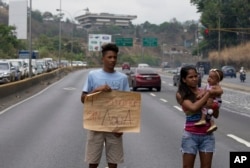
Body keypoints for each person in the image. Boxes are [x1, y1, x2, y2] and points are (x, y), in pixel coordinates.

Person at [81, 43, 130, 168]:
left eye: (114, 57)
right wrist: (97, 90)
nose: (112, 60)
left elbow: (127, 104)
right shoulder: (93, 75)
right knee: (93, 162)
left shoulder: (123, 78)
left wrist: (122, 127)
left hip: (114, 126)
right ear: (103, 58)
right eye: (109, 57)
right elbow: (83, 99)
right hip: (95, 124)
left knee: (113, 162)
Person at [176, 65, 219, 168]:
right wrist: (208, 95)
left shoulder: (203, 91)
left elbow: (216, 115)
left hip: (207, 136)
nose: (194, 79)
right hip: (190, 136)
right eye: (191, 77)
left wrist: (212, 106)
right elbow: (193, 108)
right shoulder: (181, 94)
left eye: (196, 76)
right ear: (184, 79)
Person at [194, 69, 224, 133]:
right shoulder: (207, 85)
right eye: (209, 77)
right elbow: (203, 92)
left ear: (217, 80)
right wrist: (200, 95)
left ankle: (204, 120)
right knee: (208, 111)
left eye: (212, 78)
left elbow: (221, 91)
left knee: (206, 108)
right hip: (210, 102)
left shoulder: (216, 86)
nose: (209, 79)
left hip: (216, 102)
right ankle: (211, 124)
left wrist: (213, 91)